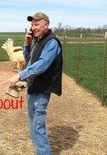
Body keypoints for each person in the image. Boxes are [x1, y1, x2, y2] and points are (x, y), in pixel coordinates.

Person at [5, 12, 63, 155]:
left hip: (41, 91)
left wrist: (19, 75)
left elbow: (42, 65)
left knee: (37, 127)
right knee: (33, 125)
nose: (33, 27)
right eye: (32, 24)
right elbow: (30, 60)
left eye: (36, 24)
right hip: (34, 89)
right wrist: (27, 44)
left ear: (46, 25)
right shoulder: (38, 41)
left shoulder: (51, 42)